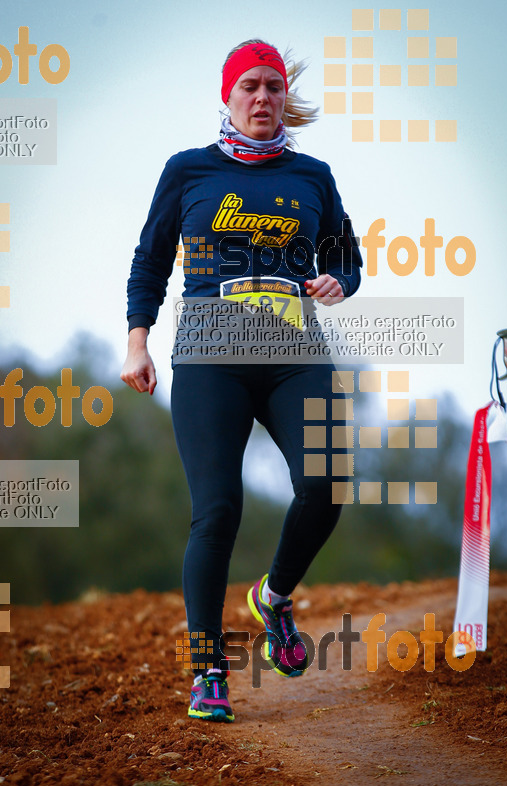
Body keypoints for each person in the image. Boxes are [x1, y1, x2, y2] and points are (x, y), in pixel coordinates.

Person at [121, 39, 363, 723]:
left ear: (285, 97)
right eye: (249, 86)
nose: (262, 97)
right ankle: (207, 673)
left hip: (292, 344)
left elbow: (345, 253)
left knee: (326, 481)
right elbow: (149, 261)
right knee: (217, 508)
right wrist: (137, 343)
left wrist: (335, 279)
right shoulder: (187, 170)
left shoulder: (312, 175)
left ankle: (274, 597)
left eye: (272, 87)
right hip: (208, 351)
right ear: (227, 97)